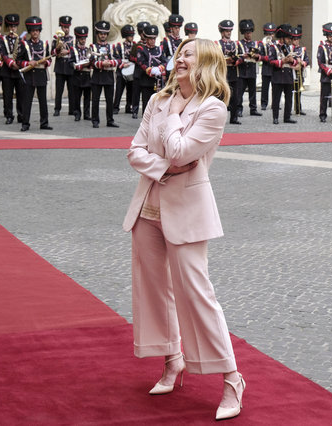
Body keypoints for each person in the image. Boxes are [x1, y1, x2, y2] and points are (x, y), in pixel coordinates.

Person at [123, 37, 245, 422]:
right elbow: (135, 150)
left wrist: (175, 117)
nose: (179, 59)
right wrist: (162, 167)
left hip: (188, 213)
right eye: (179, 53)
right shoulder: (157, 100)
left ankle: (232, 378)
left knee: (198, 295)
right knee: (154, 292)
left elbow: (180, 151)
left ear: (205, 62)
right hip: (147, 210)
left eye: (188, 55)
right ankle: (172, 360)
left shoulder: (213, 109)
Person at [17, 16, 53, 131]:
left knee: (43, 101)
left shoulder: (44, 44)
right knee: (27, 101)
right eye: (33, 31)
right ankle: (25, 123)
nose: (35, 33)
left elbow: (49, 59)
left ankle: (44, 123)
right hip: (29, 75)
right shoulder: (24, 44)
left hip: (41, 74)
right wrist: (28, 62)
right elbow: (18, 61)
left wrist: (45, 62)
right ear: (29, 31)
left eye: (37, 30)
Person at [90, 20, 120, 128]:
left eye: (105, 34)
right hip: (97, 76)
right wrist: (102, 63)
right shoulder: (93, 47)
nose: (103, 36)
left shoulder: (112, 47)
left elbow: (118, 60)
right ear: (97, 34)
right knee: (95, 100)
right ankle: (95, 120)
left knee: (109, 100)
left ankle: (110, 120)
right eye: (101, 33)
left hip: (108, 76)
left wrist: (110, 63)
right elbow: (92, 61)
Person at [269, 24, 297, 124]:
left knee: (289, 98)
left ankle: (287, 117)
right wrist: (283, 61)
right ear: (282, 37)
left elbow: (295, 62)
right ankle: (275, 117)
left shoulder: (289, 48)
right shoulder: (273, 47)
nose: (290, 40)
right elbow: (271, 61)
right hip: (278, 75)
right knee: (276, 98)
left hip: (288, 75)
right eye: (288, 38)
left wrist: (292, 60)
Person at [136, 24, 166, 116]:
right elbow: (141, 62)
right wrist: (150, 70)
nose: (153, 41)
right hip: (146, 81)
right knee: (146, 103)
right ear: (146, 38)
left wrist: (160, 68)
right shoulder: (141, 49)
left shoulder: (159, 49)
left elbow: (164, 62)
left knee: (157, 104)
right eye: (150, 38)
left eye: (154, 38)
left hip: (157, 81)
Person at [0, 13, 24, 125]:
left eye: (14, 26)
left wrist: (18, 63)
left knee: (20, 94)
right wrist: (10, 62)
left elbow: (24, 54)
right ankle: (9, 115)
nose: (12, 28)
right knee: (7, 95)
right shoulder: (3, 39)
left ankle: (21, 115)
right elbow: (3, 53)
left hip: (18, 70)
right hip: (7, 71)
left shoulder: (22, 40)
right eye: (10, 26)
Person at [235, 19, 262, 117]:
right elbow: (236, 56)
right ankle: (238, 109)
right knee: (240, 92)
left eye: (250, 32)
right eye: (246, 32)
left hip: (251, 70)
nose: (249, 34)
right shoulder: (239, 44)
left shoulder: (255, 44)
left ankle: (253, 109)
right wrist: (243, 57)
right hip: (242, 71)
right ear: (243, 33)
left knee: (252, 91)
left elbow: (260, 56)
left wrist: (256, 56)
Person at [217, 19, 240, 124]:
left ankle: (234, 118)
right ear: (222, 32)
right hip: (223, 72)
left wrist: (236, 60)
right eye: (226, 31)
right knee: (222, 95)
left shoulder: (235, 44)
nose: (229, 33)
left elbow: (241, 57)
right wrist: (226, 59)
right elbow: (216, 58)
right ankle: (220, 118)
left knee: (235, 96)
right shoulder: (217, 43)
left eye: (230, 30)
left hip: (234, 71)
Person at [69, 25, 92, 122]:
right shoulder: (73, 49)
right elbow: (70, 62)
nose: (83, 40)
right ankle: (77, 113)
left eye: (84, 38)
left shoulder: (88, 49)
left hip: (87, 76)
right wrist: (79, 66)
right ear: (78, 39)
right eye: (81, 38)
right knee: (76, 97)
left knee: (87, 97)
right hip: (77, 76)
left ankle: (87, 114)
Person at [53, 16, 74, 117]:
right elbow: (52, 53)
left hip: (70, 67)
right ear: (60, 27)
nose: (66, 29)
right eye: (64, 27)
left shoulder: (72, 39)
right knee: (59, 90)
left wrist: (68, 51)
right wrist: (57, 49)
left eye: (67, 27)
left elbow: (75, 51)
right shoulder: (56, 39)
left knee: (72, 90)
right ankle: (57, 109)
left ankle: (72, 109)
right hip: (60, 67)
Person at [113, 24, 135, 115]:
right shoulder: (119, 46)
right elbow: (115, 57)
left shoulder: (135, 45)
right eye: (130, 35)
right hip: (121, 70)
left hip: (131, 69)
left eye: (132, 35)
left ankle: (128, 106)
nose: (131, 37)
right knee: (119, 90)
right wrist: (122, 64)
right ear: (125, 36)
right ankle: (115, 107)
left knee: (130, 90)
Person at [129, 21, 149, 119]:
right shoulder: (136, 45)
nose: (143, 35)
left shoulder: (150, 46)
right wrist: (139, 59)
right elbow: (131, 57)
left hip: (146, 74)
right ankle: (135, 110)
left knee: (146, 95)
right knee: (136, 93)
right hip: (138, 72)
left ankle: (146, 112)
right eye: (142, 33)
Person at [290, 25, 308, 116]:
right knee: (289, 92)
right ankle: (288, 109)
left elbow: (307, 61)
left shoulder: (302, 49)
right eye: (294, 39)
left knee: (298, 92)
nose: (296, 41)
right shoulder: (288, 49)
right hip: (290, 73)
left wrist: (302, 63)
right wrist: (293, 66)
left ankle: (298, 108)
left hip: (299, 73)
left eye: (297, 39)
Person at [259, 23, 276, 111]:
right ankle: (264, 103)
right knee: (265, 87)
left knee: (275, 87)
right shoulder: (262, 44)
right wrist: (266, 58)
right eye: (268, 34)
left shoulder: (276, 44)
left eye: (272, 34)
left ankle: (275, 103)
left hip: (274, 68)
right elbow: (260, 55)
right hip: (266, 67)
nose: (270, 36)